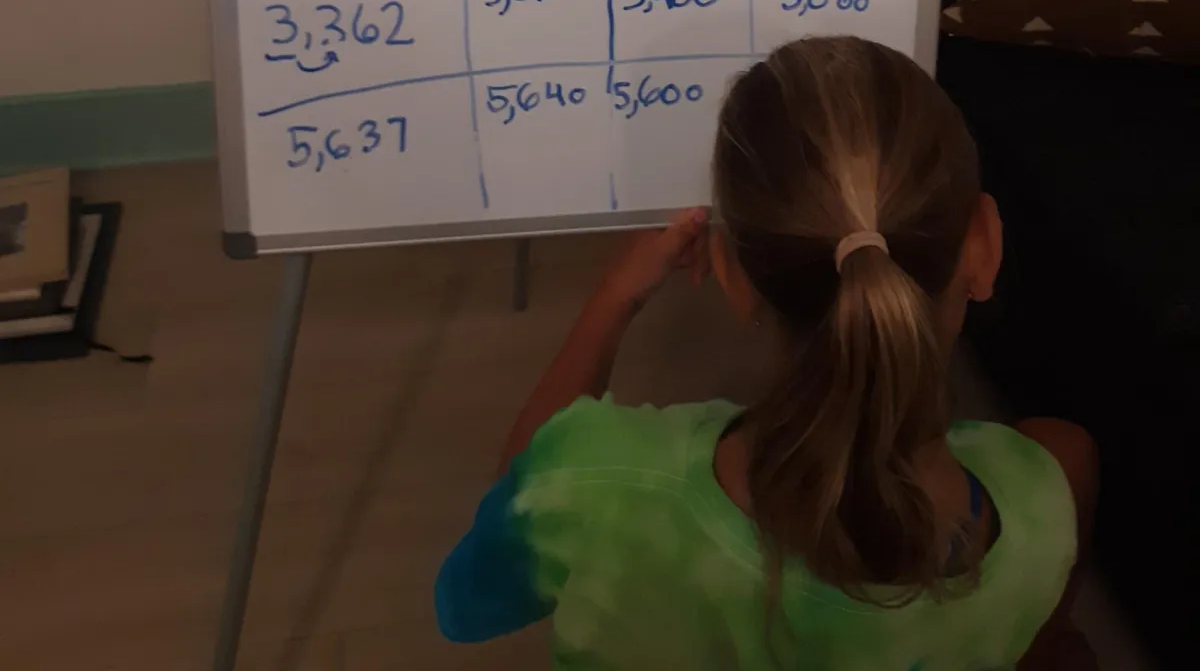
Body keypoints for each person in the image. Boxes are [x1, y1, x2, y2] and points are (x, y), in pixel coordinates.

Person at [436, 36, 1097, 669]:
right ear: (984, 247)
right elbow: (1042, 652)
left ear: (734, 279)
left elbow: (497, 543)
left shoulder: (597, 482)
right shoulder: (1048, 496)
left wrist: (615, 298)